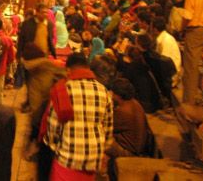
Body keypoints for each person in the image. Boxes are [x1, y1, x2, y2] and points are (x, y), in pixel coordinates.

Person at [41, 52, 113, 180]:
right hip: (93, 161)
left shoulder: (62, 90)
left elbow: (52, 130)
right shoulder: (104, 91)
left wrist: (54, 146)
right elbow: (107, 131)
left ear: (68, 70)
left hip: (67, 160)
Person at [105, 78, 153, 180]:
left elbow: (105, 125)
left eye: (112, 92)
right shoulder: (134, 103)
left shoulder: (123, 111)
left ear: (118, 95)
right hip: (135, 147)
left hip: (128, 151)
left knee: (99, 140)